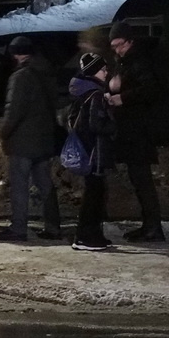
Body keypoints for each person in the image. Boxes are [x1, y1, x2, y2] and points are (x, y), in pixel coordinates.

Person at [0, 36, 62, 242]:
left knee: (20, 184)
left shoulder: (20, 77)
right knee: (45, 183)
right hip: (44, 138)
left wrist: (3, 133)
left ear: (16, 54)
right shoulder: (46, 72)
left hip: (23, 140)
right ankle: (53, 226)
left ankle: (19, 228)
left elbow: (13, 110)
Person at [106, 22, 167, 242]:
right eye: (113, 46)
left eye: (119, 45)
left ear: (130, 41)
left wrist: (123, 97)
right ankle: (149, 225)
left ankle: (153, 227)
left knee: (142, 180)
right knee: (138, 179)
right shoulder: (124, 61)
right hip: (131, 130)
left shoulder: (139, 60)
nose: (116, 50)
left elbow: (151, 89)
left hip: (138, 131)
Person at [68, 51, 117, 251]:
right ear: (94, 71)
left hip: (87, 151)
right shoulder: (95, 95)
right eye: (104, 69)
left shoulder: (83, 93)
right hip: (94, 152)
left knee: (95, 193)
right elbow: (96, 125)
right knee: (94, 195)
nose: (106, 73)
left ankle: (94, 234)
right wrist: (114, 125)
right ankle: (85, 237)